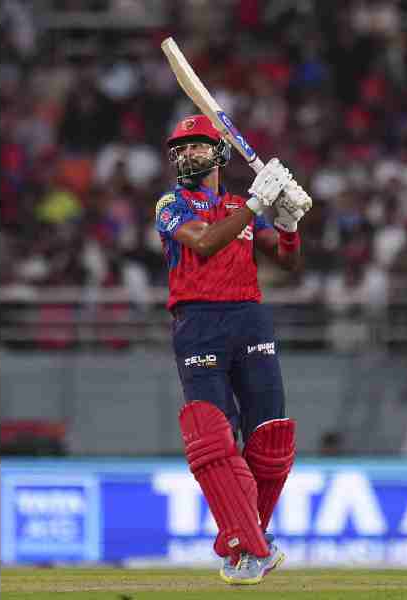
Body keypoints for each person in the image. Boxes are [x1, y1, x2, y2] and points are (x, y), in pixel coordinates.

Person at [154, 115, 312, 585]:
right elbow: (203, 244)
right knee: (213, 438)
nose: (187, 155)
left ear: (219, 153)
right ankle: (252, 547)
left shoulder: (240, 206)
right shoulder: (171, 204)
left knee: (272, 437)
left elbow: (288, 264)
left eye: (197, 147)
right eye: (180, 149)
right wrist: (258, 203)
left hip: (249, 318)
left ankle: (243, 548)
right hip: (198, 322)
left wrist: (287, 225)